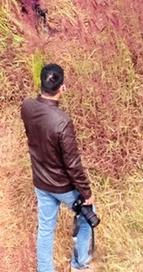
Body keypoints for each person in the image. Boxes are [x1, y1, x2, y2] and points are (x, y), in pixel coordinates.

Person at [23, 63, 95, 272]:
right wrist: (86, 193)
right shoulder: (62, 122)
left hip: (40, 181)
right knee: (87, 215)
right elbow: (72, 164)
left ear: (41, 83)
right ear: (62, 88)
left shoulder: (26, 106)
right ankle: (79, 265)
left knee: (45, 228)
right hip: (63, 187)